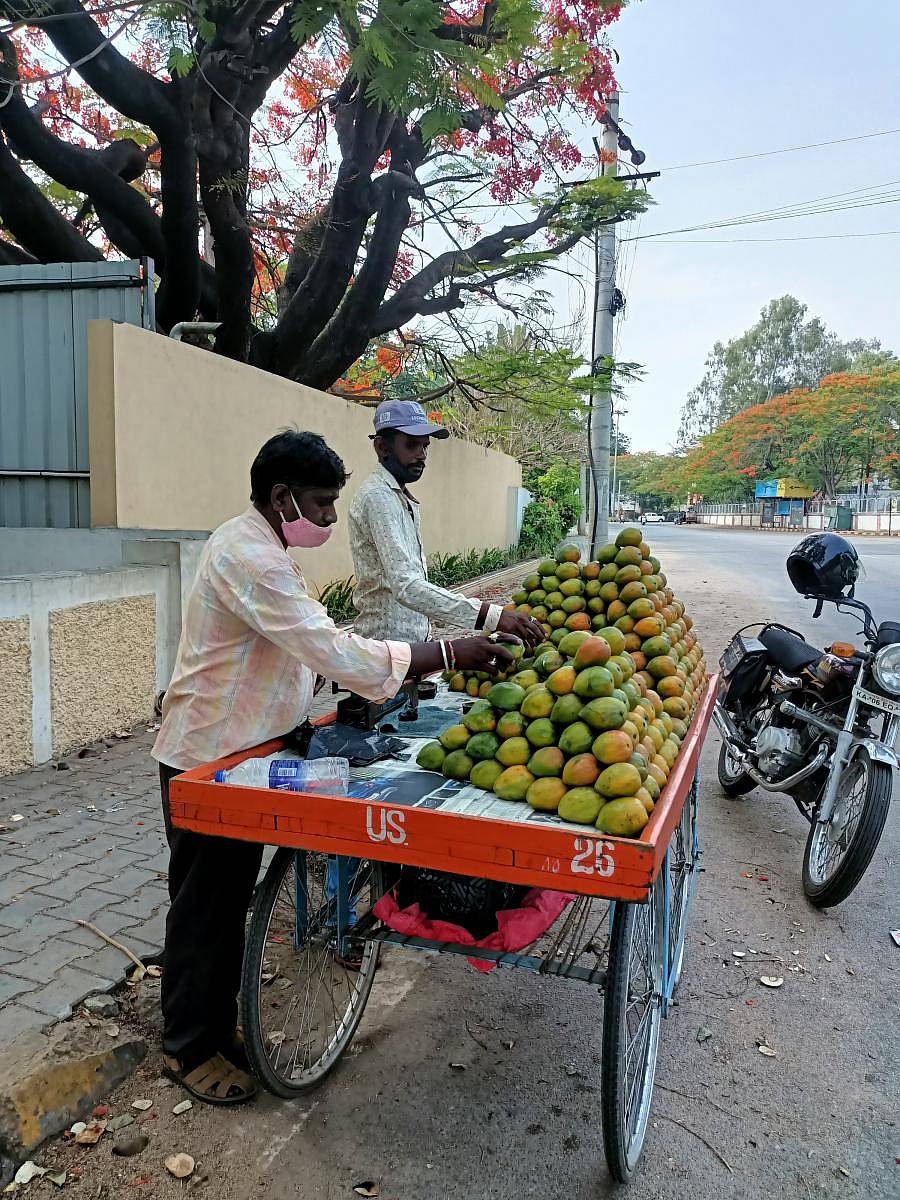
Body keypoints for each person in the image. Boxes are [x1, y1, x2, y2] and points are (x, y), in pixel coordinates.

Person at [151, 430, 511, 1106]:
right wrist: (449, 652)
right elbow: (329, 649)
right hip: (206, 755)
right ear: (282, 496)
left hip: (243, 751)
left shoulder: (258, 545)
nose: (327, 520)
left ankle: (213, 1026)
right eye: (320, 506)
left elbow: (313, 640)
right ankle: (188, 1049)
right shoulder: (252, 558)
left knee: (226, 904)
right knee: (204, 910)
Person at [348, 399, 544, 649]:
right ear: (382, 447)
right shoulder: (378, 498)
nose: (422, 454)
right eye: (411, 445)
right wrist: (492, 617)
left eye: (425, 446)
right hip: (385, 653)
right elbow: (407, 587)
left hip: (411, 648)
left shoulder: (398, 497)